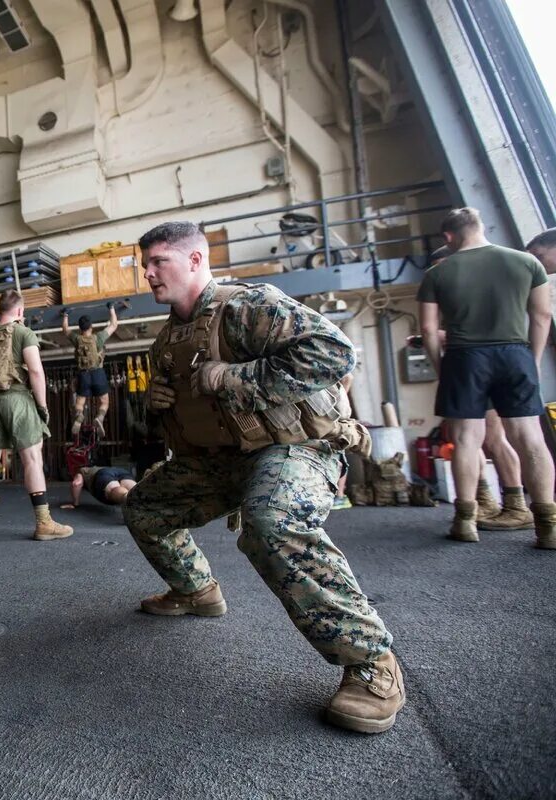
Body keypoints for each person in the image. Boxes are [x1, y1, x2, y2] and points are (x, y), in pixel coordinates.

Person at [123, 221, 402, 734]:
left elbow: (335, 352)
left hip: (295, 448)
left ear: (194, 261)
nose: (147, 273)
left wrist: (235, 377)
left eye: (158, 261)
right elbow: (183, 419)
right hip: (222, 459)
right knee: (144, 507)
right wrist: (155, 405)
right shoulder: (166, 341)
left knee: (271, 521)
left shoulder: (248, 307)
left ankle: (371, 663)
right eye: (144, 264)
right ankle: (195, 590)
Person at [418, 208, 555, 546]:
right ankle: (547, 525)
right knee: (529, 437)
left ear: (448, 237)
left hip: (465, 357)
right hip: (515, 354)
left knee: (466, 438)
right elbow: (541, 316)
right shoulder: (527, 263)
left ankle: (465, 522)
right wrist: (532, 360)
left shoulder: (438, 272)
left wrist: (442, 368)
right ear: (481, 227)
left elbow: (427, 330)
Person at [419, 247, 531, 531]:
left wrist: (439, 352)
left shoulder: (475, 282)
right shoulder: (456, 290)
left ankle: (515, 505)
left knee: (493, 439)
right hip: (475, 367)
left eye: (441, 265)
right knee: (466, 440)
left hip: (480, 368)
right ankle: (485, 502)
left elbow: (481, 331)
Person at [0, 289, 73, 541]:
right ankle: (44, 522)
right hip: (17, 400)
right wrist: (42, 405)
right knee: (32, 459)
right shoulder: (23, 333)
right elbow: (35, 372)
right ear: (20, 311)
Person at [61, 303, 119, 437]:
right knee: (104, 402)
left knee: (80, 402)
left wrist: (65, 314)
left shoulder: (77, 339)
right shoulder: (98, 338)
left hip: (83, 375)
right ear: (91, 327)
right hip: (98, 373)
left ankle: (80, 416)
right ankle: (100, 418)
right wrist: (111, 308)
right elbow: (114, 325)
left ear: (80, 328)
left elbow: (65, 329)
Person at [62, 464, 136, 509]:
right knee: (136, 491)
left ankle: (126, 498)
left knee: (114, 489)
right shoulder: (94, 468)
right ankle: (143, 501)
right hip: (120, 471)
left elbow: (76, 484)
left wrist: (75, 504)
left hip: (104, 473)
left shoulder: (81, 471)